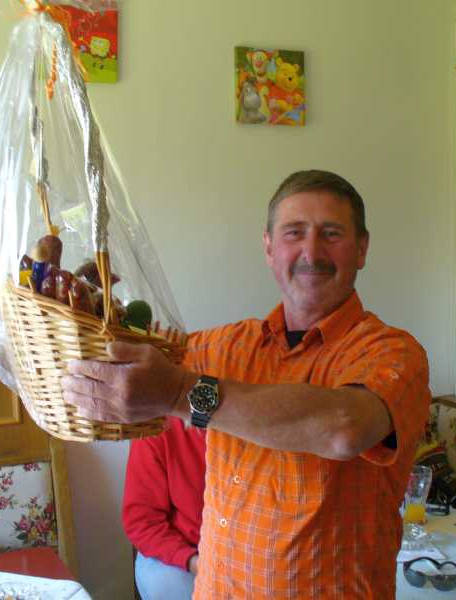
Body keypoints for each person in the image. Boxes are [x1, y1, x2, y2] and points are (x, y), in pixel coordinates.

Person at [62, 170, 431, 599]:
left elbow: (344, 428)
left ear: (362, 248)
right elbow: (128, 357)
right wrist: (82, 306)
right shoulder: (222, 347)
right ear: (269, 248)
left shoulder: (394, 353)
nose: (312, 251)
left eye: (331, 234)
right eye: (294, 233)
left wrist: (181, 394)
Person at [122, 416, 206, 600]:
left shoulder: (259, 425)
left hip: (244, 550)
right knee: (164, 584)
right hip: (180, 551)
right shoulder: (156, 425)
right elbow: (142, 522)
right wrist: (192, 561)